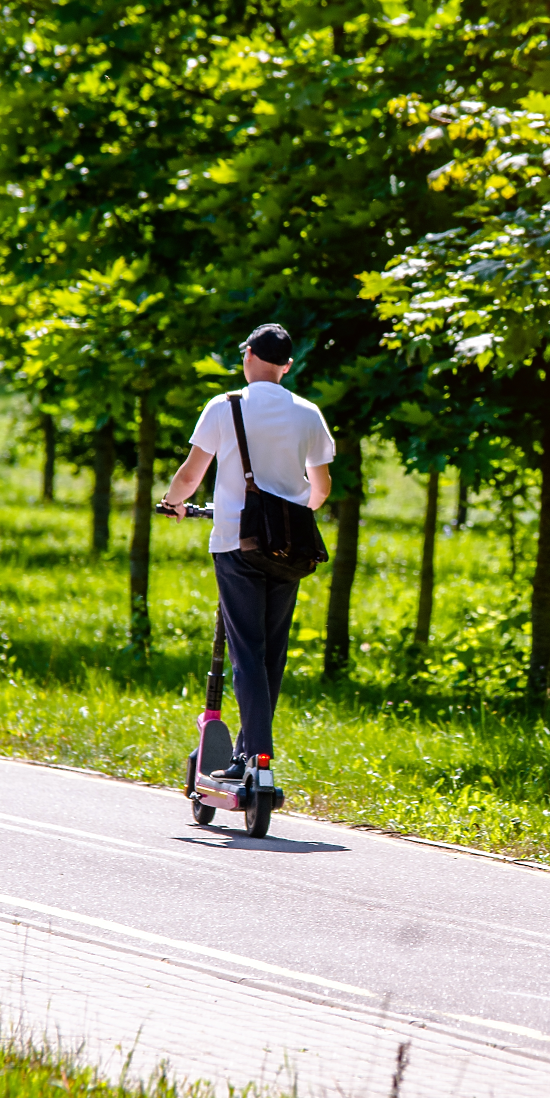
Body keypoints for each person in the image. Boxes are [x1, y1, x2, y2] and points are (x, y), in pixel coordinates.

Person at [160, 324, 335, 780]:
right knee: (271, 653)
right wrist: (293, 514)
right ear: (287, 366)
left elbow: (190, 472)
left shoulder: (225, 406)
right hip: (290, 550)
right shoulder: (308, 413)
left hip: (238, 544)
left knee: (246, 652)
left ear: (249, 356)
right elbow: (321, 488)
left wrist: (173, 503)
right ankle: (251, 755)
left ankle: (254, 755)